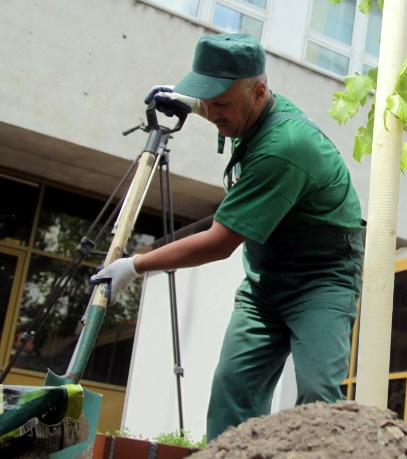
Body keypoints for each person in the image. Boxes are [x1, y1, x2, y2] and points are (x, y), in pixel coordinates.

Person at [93, 32, 365, 441]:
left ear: (259, 91)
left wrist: (133, 266)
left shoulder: (284, 146)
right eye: (207, 100)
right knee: (232, 396)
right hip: (265, 282)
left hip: (322, 280)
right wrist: (189, 102)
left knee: (317, 398)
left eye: (222, 104)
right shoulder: (246, 109)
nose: (214, 113)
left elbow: (219, 243)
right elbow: (215, 103)